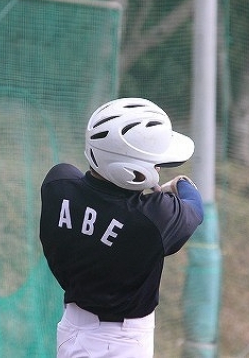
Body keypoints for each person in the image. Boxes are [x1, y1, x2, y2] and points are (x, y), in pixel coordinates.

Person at [40, 97, 204, 358]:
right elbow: (195, 208)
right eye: (155, 163)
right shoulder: (152, 218)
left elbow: (95, 200)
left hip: (71, 331)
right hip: (121, 343)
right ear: (130, 169)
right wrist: (181, 183)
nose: (158, 168)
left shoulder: (57, 185)